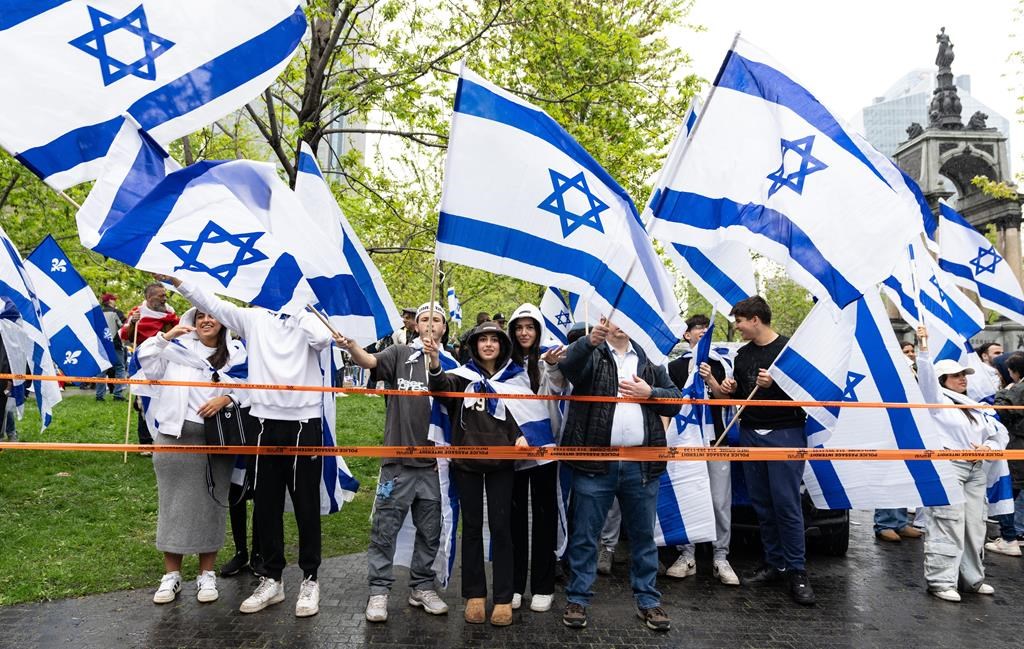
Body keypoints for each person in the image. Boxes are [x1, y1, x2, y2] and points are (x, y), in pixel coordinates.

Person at [158, 274, 331, 618]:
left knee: (305, 504)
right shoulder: (252, 318)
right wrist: (178, 282)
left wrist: (296, 309)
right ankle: (273, 579)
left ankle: (310, 579)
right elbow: (214, 304)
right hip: (265, 422)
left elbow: (323, 339)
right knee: (265, 505)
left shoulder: (307, 317)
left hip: (304, 422)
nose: (275, 293)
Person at [558, 318, 681, 632]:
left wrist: (650, 392)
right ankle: (578, 599)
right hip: (595, 464)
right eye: (615, 319)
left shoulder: (650, 357)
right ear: (604, 321)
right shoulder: (592, 352)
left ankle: (648, 602)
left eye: (630, 318)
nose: (622, 324)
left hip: (642, 464)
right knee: (585, 536)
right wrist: (587, 342)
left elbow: (675, 402)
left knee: (643, 538)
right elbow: (569, 366)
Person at [334, 302, 451, 623]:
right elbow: (370, 361)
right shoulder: (400, 354)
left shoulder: (453, 363)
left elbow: (447, 390)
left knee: (430, 532)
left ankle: (422, 586)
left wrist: (436, 360)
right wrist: (354, 346)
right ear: (416, 325)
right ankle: (379, 590)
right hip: (397, 463)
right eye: (424, 319)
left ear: (444, 327)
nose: (429, 324)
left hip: (433, 466)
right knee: (385, 530)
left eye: (436, 320)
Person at [135, 308, 246, 605]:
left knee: (212, 504)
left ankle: (205, 574)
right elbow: (146, 362)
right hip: (175, 435)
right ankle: (171, 576)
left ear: (223, 321)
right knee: (172, 505)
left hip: (217, 439)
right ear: (192, 322)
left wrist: (227, 397)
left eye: (212, 316)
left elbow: (251, 387)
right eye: (200, 317)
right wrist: (165, 337)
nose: (206, 321)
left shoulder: (237, 353)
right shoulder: (176, 349)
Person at [425, 321, 532, 627]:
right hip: (466, 464)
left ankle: (502, 597)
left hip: (502, 466)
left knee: (502, 527)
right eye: (482, 339)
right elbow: (440, 389)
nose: (488, 344)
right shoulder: (461, 378)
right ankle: (474, 595)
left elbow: (523, 413)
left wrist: (521, 435)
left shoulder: (515, 378)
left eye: (493, 340)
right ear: (474, 345)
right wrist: (434, 361)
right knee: (470, 527)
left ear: (502, 345)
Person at [721, 296, 814, 606]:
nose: (737, 327)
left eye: (739, 321)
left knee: (787, 503)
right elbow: (742, 394)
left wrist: (778, 381)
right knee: (761, 502)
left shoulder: (789, 351)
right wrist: (731, 390)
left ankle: (797, 571)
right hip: (749, 432)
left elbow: (809, 390)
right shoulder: (743, 355)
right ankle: (775, 563)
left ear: (755, 320)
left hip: (786, 431)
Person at [916, 326, 1007, 601]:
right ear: (943, 378)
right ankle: (941, 581)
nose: (962, 379)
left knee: (974, 524)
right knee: (947, 521)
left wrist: (988, 448)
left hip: (976, 467)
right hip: (950, 465)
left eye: (964, 375)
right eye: (956, 375)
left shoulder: (974, 405)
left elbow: (997, 433)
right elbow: (926, 382)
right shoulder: (936, 401)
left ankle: (972, 579)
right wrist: (923, 347)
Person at [665, 314, 739, 586]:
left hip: (716, 440)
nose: (703, 334)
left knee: (720, 500)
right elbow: (669, 404)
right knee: (687, 495)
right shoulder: (674, 367)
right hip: (686, 441)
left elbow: (724, 399)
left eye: (707, 330)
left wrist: (710, 381)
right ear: (688, 335)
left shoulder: (720, 364)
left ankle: (721, 557)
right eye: (698, 330)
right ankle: (687, 555)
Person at [506, 304, 566, 613]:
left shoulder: (549, 360)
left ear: (538, 330)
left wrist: (553, 368)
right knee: (514, 518)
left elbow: (558, 392)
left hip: (546, 449)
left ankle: (543, 586)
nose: (524, 332)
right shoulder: (505, 363)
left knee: (545, 517)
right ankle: (515, 585)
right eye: (519, 327)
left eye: (530, 327)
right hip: (514, 450)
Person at [121, 284, 179, 452]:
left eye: (165, 295)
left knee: (163, 399)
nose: (164, 298)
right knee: (143, 401)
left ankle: (162, 438)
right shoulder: (138, 314)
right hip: (144, 363)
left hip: (165, 362)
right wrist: (133, 322)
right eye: (161, 296)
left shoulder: (170, 313)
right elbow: (127, 336)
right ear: (149, 298)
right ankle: (145, 442)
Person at [988, 352, 1024, 556]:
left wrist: (1002, 393)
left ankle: (1009, 537)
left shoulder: (1017, 390)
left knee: (1009, 492)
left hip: (1017, 446)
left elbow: (999, 412)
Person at [96, 293, 127, 402]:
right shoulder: (116, 312)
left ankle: (99, 396)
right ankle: (118, 394)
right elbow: (125, 326)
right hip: (114, 344)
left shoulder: (97, 313)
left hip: (101, 345)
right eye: (114, 300)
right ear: (110, 301)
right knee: (120, 368)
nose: (115, 301)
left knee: (102, 370)